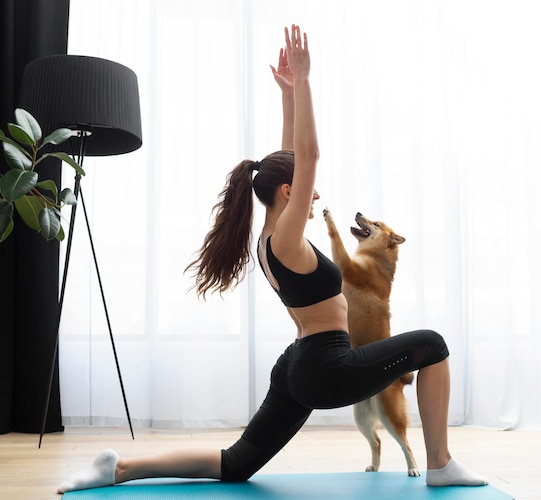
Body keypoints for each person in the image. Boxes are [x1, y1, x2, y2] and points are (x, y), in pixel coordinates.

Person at [57, 25, 487, 493]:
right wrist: (303, 80)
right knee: (433, 344)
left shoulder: (270, 237)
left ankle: (118, 468)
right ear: (288, 191)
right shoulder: (285, 239)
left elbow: (290, 157)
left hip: (297, 366)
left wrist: (286, 96)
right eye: (303, 185)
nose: (313, 189)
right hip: (325, 368)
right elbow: (308, 153)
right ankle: (441, 464)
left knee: (237, 462)